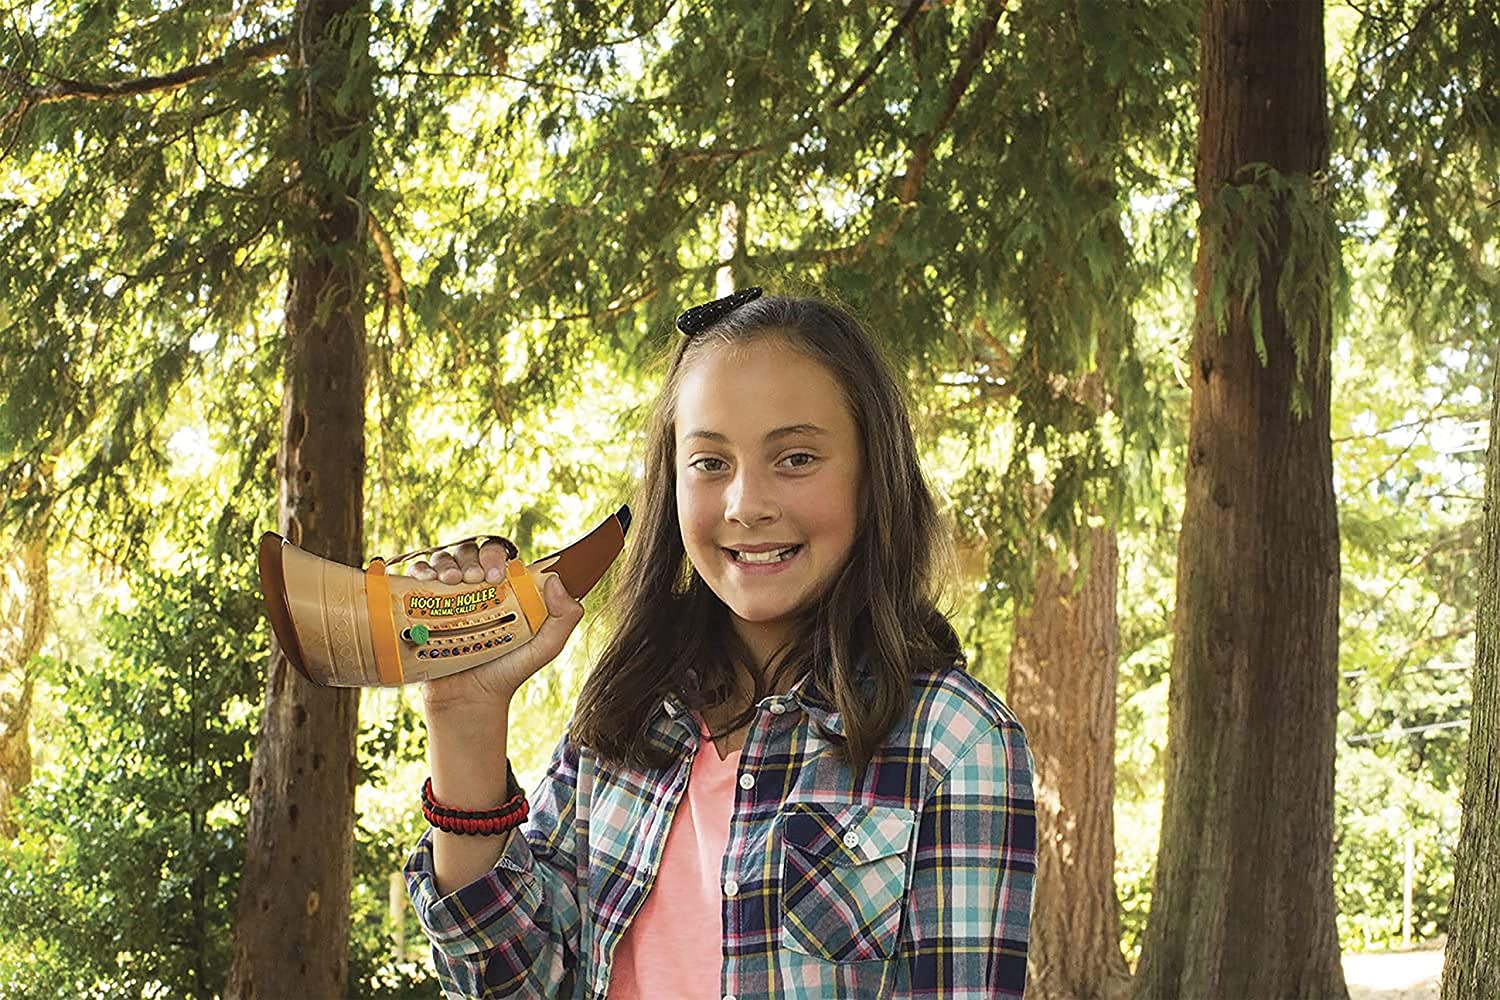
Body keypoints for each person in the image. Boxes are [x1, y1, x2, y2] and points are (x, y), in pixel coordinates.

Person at [403, 288, 1037, 999]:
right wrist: (464, 718)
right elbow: (508, 985)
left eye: (795, 458)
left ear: (873, 475)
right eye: (710, 462)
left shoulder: (956, 742)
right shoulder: (627, 715)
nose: (746, 503)